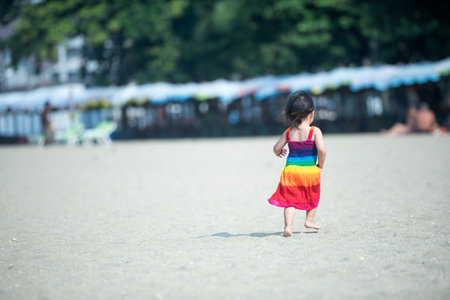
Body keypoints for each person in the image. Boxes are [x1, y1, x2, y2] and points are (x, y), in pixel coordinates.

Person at [268, 91, 326, 237]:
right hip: (309, 171)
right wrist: (320, 164)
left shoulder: (289, 132)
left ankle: (288, 226)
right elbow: (322, 150)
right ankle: (309, 220)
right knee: (312, 195)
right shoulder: (315, 131)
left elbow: (276, 148)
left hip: (291, 171)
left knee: (289, 201)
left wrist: (279, 153)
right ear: (311, 113)